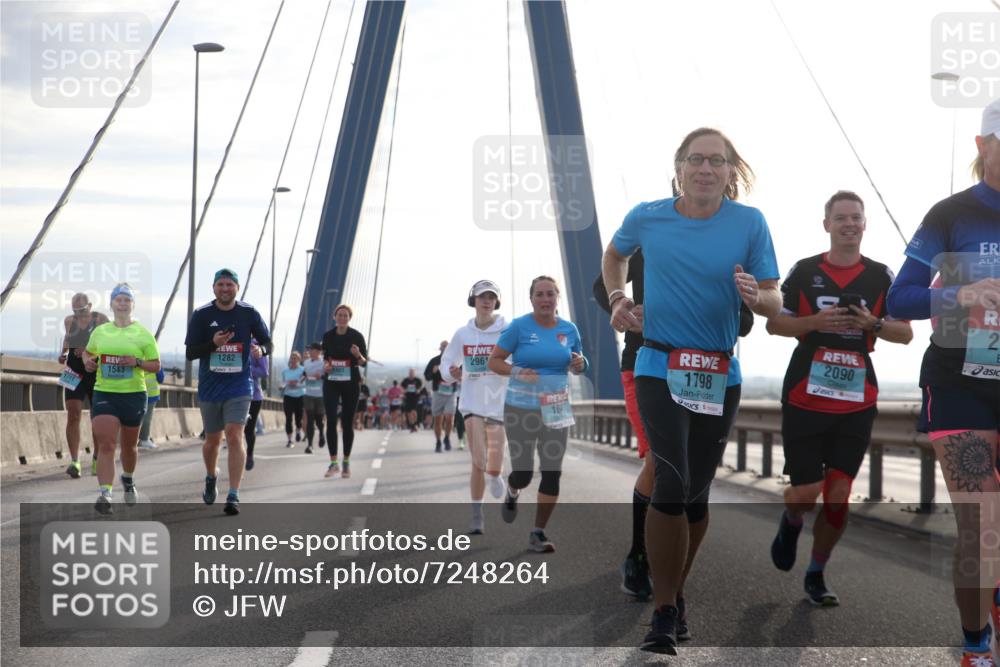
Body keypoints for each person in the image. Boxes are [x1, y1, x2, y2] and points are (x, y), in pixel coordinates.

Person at [602, 127, 781, 654]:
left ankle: (676, 592)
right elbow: (614, 256)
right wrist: (617, 297)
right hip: (659, 362)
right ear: (678, 167)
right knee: (672, 479)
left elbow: (774, 300)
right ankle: (661, 613)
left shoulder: (750, 223)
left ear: (731, 172)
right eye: (696, 159)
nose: (706, 168)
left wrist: (757, 296)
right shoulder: (647, 216)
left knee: (697, 493)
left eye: (717, 161)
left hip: (719, 373)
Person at [887, 100, 1000, 667]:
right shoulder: (950, 214)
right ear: (983, 146)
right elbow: (898, 300)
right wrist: (960, 294)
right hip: (959, 381)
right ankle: (975, 642)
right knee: (982, 522)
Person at [766, 190, 913, 606]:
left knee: (837, 497)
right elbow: (775, 324)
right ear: (826, 224)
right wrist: (817, 321)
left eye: (856, 218)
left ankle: (816, 572)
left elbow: (906, 333)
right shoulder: (806, 270)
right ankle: (792, 518)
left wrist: (874, 323)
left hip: (856, 401)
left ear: (865, 225)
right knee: (806, 491)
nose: (849, 224)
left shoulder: (883, 276)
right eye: (841, 217)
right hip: (804, 397)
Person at [487, 276, 588, 553]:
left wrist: (581, 363)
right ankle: (513, 489)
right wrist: (518, 371)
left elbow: (578, 362)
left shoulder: (569, 329)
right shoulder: (519, 327)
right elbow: (494, 361)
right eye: (540, 294)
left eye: (550, 294)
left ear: (558, 298)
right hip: (520, 408)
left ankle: (538, 531)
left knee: (552, 472)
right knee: (524, 473)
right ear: (531, 299)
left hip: (556, 407)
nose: (545, 299)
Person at [185, 268, 272, 516]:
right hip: (211, 386)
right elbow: (191, 353)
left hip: (240, 385)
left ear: (237, 287)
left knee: (235, 434)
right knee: (213, 441)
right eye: (221, 285)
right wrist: (213, 343)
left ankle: (233, 494)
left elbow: (267, 342)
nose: (225, 289)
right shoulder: (202, 315)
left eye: (229, 285)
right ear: (214, 288)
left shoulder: (249, 312)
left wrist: (261, 352)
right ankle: (211, 476)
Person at [82, 283, 159, 514]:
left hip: (134, 394)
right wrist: (87, 360)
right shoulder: (101, 331)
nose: (122, 303)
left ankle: (128, 478)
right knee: (106, 444)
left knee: (129, 446)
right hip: (105, 393)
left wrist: (135, 362)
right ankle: (105, 494)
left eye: (127, 299)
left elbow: (155, 365)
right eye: (118, 299)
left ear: (133, 305)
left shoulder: (143, 334)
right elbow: (89, 351)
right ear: (112, 304)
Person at [440, 280, 510, 534]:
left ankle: (495, 475)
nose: (487, 301)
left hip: (499, 404)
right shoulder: (463, 334)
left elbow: (519, 358)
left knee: (494, 461)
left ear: (496, 301)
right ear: (474, 300)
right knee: (477, 459)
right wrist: (451, 373)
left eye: (491, 296)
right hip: (471, 403)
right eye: (482, 296)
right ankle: (477, 514)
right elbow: (447, 364)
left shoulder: (508, 331)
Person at [58, 292, 108, 477]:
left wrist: (89, 352)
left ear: (90, 305)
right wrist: (63, 353)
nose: (78, 313)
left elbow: (107, 343)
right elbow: (67, 338)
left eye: (82, 309)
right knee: (73, 414)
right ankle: (75, 461)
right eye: (75, 310)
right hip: (73, 370)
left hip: (94, 371)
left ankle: (96, 458)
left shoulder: (101, 319)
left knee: (97, 418)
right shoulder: (69, 321)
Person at [321, 304, 368, 479]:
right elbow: (326, 358)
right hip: (332, 381)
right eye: (339, 315)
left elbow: (364, 362)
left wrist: (357, 355)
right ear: (335, 317)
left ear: (349, 318)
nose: (342, 318)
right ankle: (333, 463)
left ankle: (346, 462)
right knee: (331, 419)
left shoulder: (356, 336)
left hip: (350, 382)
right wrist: (326, 365)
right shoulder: (328, 336)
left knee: (347, 422)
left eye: (345, 315)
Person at [426, 340, 457, 452]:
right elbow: (427, 377)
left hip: (451, 392)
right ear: (440, 348)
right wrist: (434, 372)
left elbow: (461, 374)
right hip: (438, 393)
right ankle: (438, 442)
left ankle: (447, 438)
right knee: (438, 419)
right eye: (443, 346)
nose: (444, 348)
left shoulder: (455, 360)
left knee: (449, 418)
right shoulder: (434, 361)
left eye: (446, 346)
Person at [243, 338, 269, 471]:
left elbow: (264, 372)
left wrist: (245, 369)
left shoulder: (256, 346)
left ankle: (249, 455)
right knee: (234, 429)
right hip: (233, 393)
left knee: (249, 429)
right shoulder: (231, 342)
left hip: (254, 396)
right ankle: (237, 458)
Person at [302, 343, 326, 451]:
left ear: (318, 352)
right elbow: (304, 373)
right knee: (310, 420)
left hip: (320, 395)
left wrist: (321, 376)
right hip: (309, 394)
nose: (310, 352)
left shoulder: (323, 363)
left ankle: (321, 433)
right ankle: (310, 445)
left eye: (312, 350)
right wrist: (302, 377)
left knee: (319, 420)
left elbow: (329, 376)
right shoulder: (306, 362)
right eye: (310, 350)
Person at [282, 351, 306, 449]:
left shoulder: (303, 370)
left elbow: (305, 384)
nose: (293, 360)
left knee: (298, 418)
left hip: (300, 396)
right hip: (288, 396)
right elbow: (283, 383)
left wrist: (296, 383)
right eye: (292, 358)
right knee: (288, 418)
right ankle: (289, 440)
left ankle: (298, 431)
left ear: (299, 360)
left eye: (295, 358)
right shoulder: (285, 371)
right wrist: (282, 386)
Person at [138, 367, 166, 450]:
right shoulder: (154, 359)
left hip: (137, 391)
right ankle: (144, 439)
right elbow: (161, 378)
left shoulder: (136, 357)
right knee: (147, 417)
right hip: (151, 393)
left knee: (138, 417)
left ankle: (138, 439)